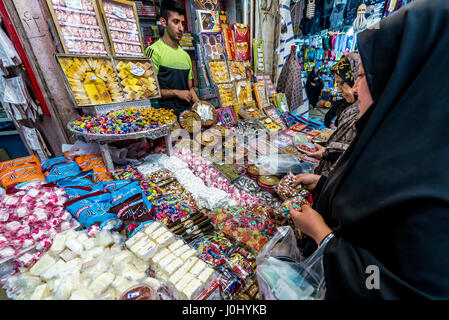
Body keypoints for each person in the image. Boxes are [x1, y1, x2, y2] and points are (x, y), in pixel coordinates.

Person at [290, 0, 449, 299]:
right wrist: (325, 185)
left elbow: (388, 287)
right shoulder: (392, 140)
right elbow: (368, 215)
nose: (356, 87)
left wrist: (323, 238)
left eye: (363, 75)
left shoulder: (434, 190)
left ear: (400, 79)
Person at [303, 52, 360, 176]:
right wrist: (326, 152)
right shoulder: (349, 108)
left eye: (341, 83)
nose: (338, 90)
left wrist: (327, 153)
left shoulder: (364, 113)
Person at [145, 0, 199, 117]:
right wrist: (176, 93)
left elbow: (189, 89)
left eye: (182, 23)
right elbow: (149, 91)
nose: (181, 28)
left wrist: (200, 106)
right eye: (176, 22)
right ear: (163, 22)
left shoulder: (185, 56)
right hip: (165, 118)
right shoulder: (154, 51)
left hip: (187, 117)